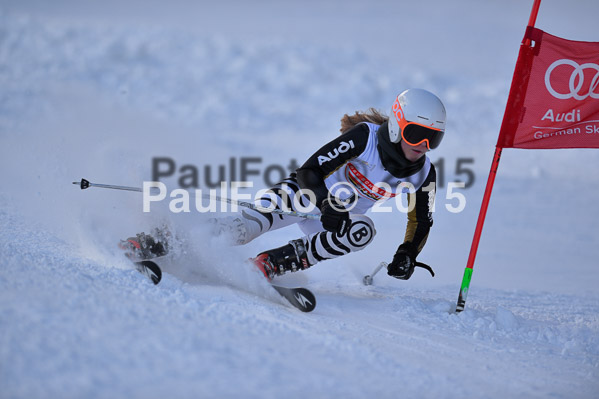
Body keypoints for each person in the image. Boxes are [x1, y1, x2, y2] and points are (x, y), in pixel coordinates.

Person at [121, 88, 446, 281]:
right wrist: (326, 203)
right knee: (245, 228)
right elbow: (309, 171)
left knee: (363, 231)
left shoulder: (423, 173)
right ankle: (159, 241)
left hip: (339, 222)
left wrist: (407, 253)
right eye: (416, 133)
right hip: (306, 195)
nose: (423, 145)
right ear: (396, 125)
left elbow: (421, 220)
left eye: (434, 138)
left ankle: (273, 263)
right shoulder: (365, 137)